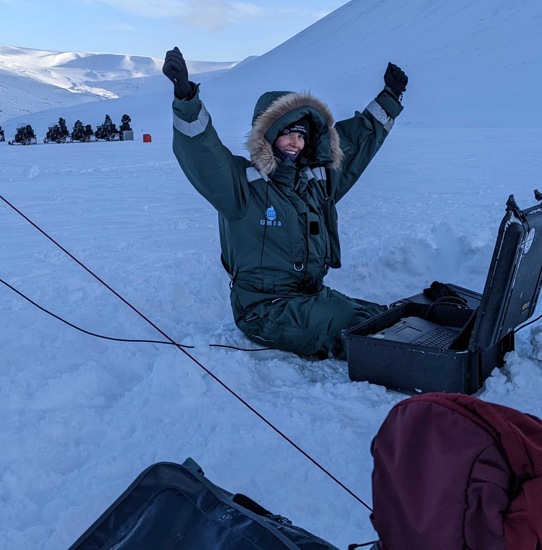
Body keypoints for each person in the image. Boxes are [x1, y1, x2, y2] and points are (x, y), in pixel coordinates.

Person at [163, 46, 408, 359]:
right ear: (270, 133)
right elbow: (203, 153)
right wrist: (186, 99)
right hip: (263, 310)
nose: (296, 141)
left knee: (385, 315)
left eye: (302, 136)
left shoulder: (316, 182)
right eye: (288, 133)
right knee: (353, 325)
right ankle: (417, 365)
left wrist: (390, 97)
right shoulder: (242, 184)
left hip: (310, 297)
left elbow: (355, 144)